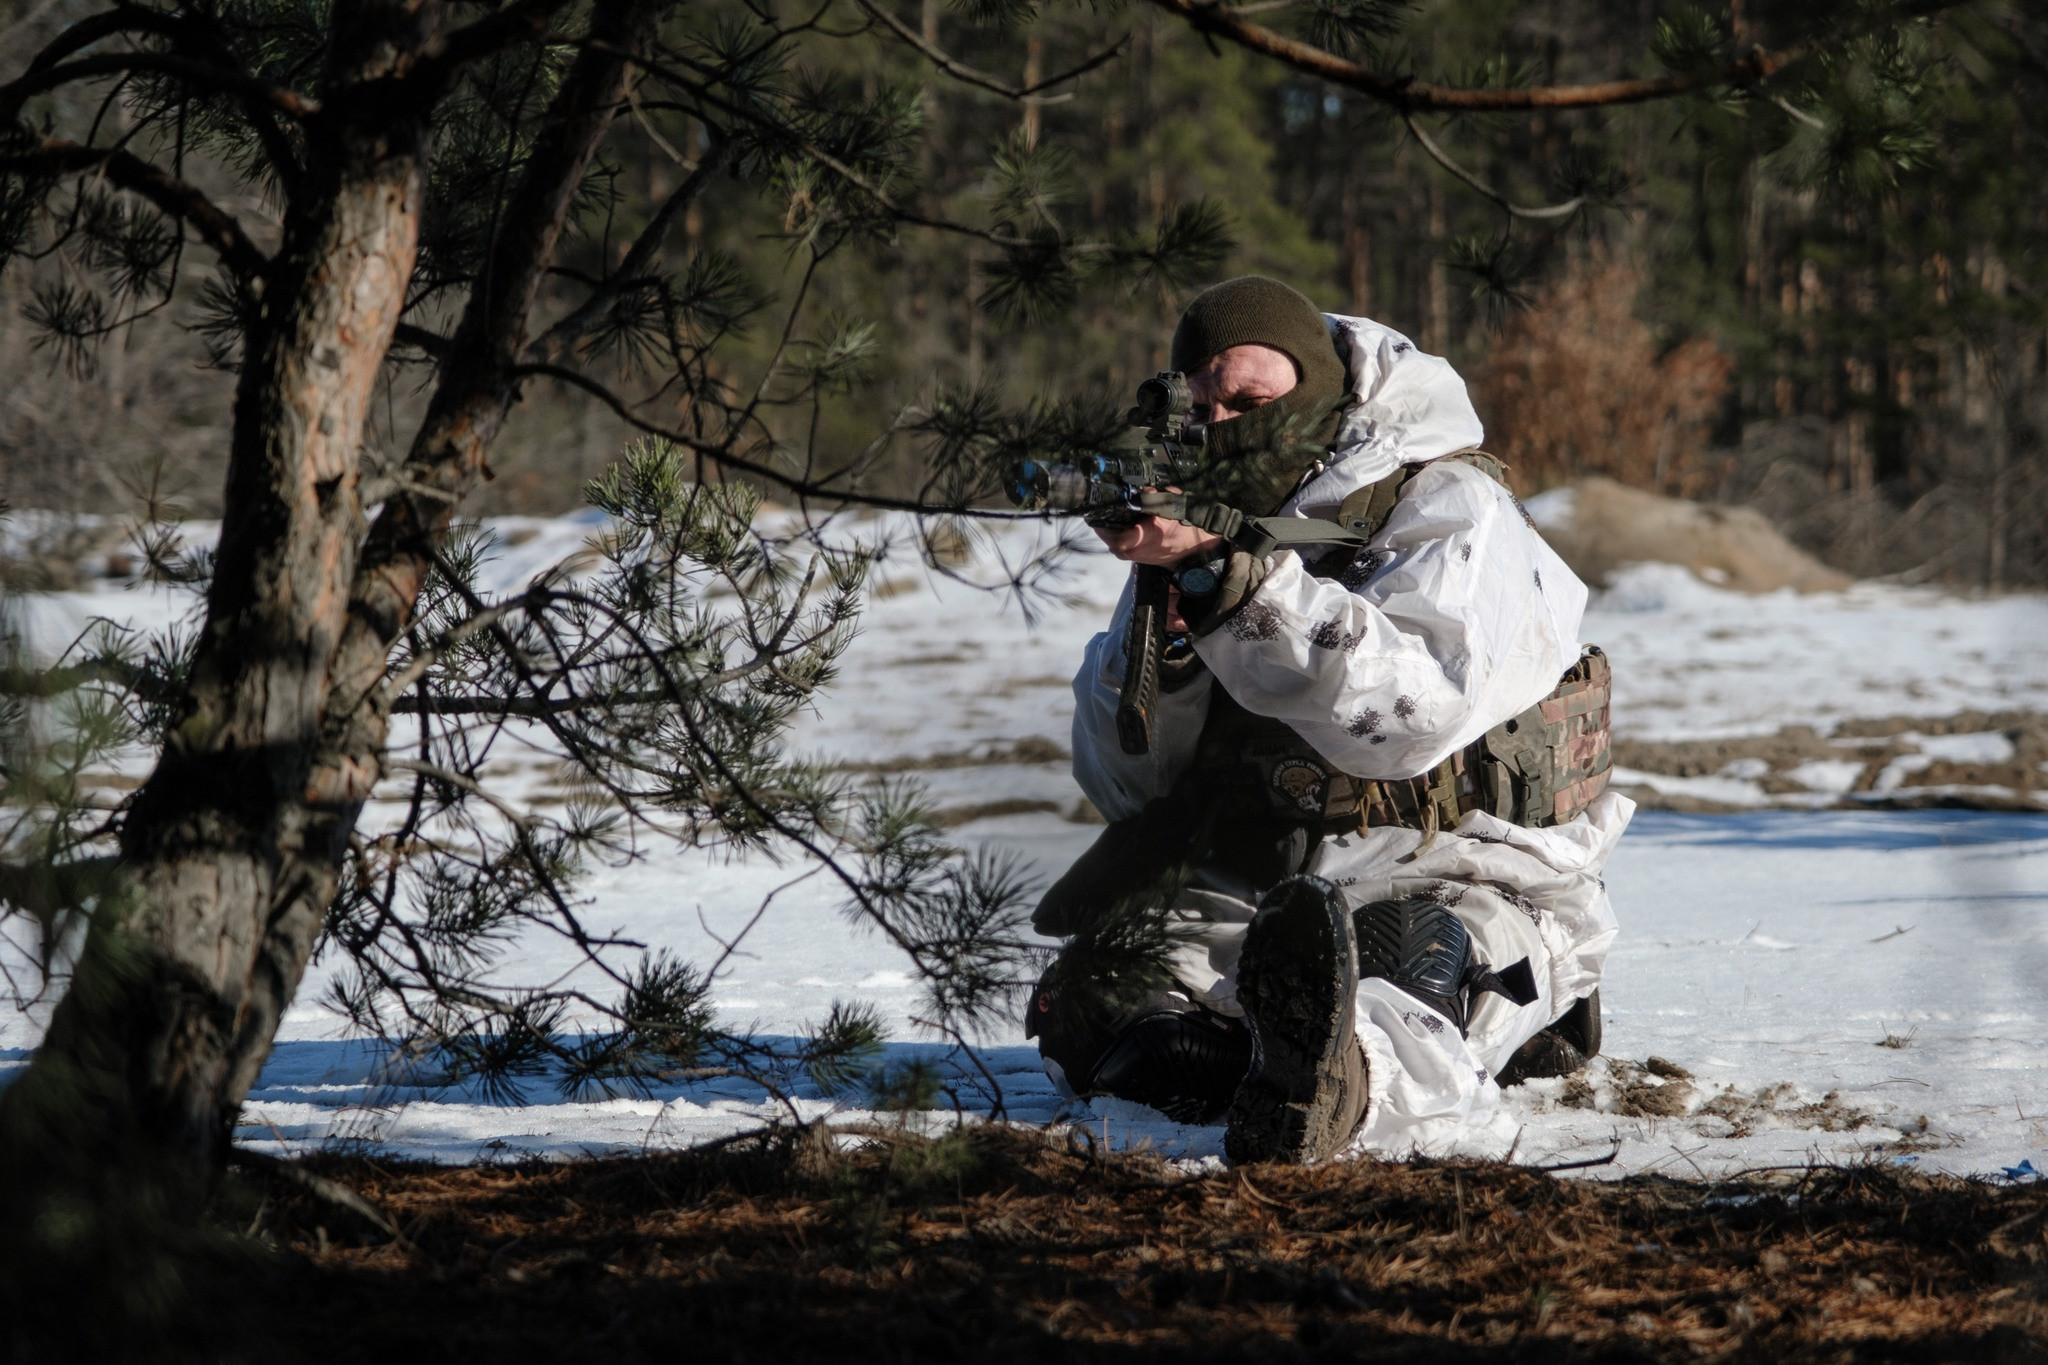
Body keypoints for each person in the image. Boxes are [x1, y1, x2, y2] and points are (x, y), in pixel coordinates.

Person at [1025, 276, 1632, 1163]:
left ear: (1314, 391)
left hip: (1451, 862)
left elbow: (1413, 712)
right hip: (1265, 875)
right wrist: (1180, 609)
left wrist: (1241, 586)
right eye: (1204, 407)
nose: (1223, 426)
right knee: (1101, 1007)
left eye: (1250, 401)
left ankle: (1339, 1087)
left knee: (1402, 965)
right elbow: (1129, 783)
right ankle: (1271, 1062)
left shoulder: (1449, 505)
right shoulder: (1215, 526)